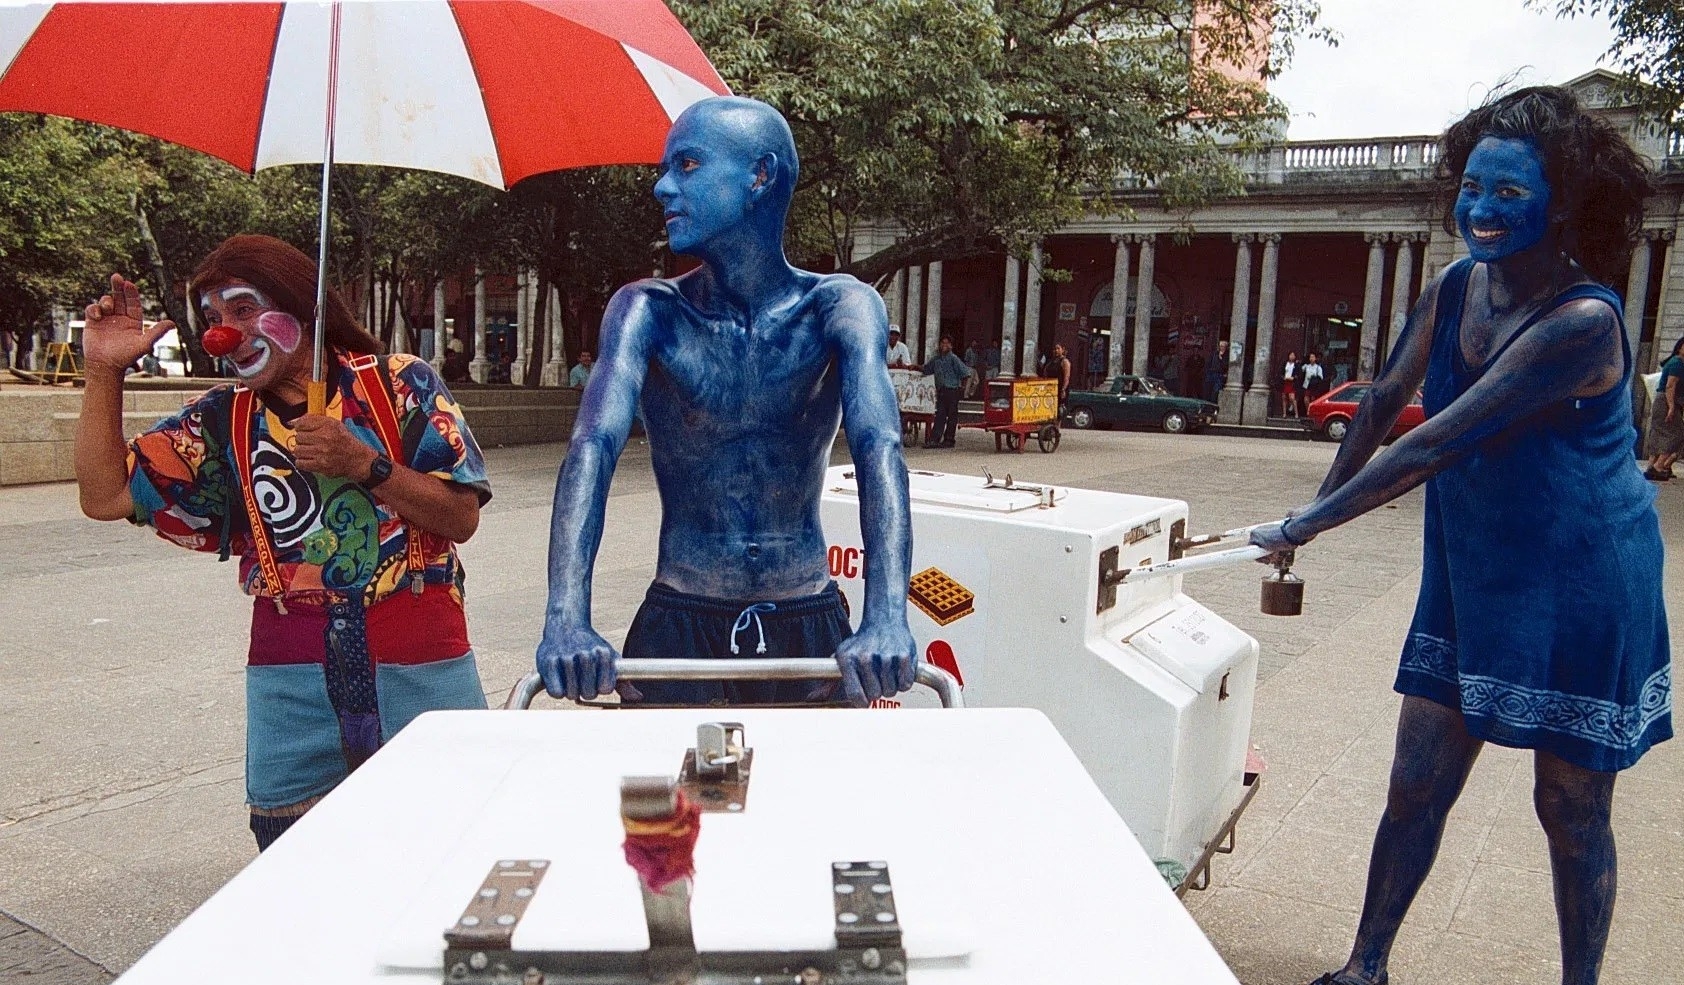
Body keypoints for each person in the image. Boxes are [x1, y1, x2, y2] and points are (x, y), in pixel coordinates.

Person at [1249, 87, 1666, 985]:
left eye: (1510, 193)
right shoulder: (1453, 286)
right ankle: (1365, 964)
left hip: (1583, 578)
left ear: (1566, 203)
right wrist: (1310, 521)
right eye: (1472, 186)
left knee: (1570, 805)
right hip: (1475, 571)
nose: (1479, 209)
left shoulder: (1583, 321)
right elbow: (1387, 399)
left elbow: (1443, 435)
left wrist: (1305, 521)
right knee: (1417, 780)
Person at [73, 235, 492, 851]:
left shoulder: (401, 385)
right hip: (289, 669)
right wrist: (104, 370)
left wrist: (365, 465)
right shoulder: (219, 420)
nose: (224, 334)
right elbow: (104, 497)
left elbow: (461, 517)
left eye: (243, 309)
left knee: (451, 849)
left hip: (418, 651)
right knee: (295, 863)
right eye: (214, 318)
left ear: (303, 307)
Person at [534, 96, 917, 708]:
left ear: (759, 176)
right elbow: (592, 448)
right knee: (670, 804)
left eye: (686, 166)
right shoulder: (648, 311)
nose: (662, 189)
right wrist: (566, 616)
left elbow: (880, 447)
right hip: (680, 614)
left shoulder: (837, 308)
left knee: (808, 798)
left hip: (804, 615)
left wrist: (887, 615)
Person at [921, 335, 975, 448]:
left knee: (951, 416)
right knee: (940, 415)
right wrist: (913, 367)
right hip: (941, 390)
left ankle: (949, 440)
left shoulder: (953, 358)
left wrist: (962, 388)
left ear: (951, 345)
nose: (944, 345)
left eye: (947, 343)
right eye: (942, 343)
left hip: (952, 390)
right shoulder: (936, 359)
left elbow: (965, 373)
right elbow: (926, 369)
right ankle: (934, 439)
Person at [1642, 337, 1682, 481]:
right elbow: (1670, 386)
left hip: (1661, 400)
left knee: (1659, 433)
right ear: (1679, 348)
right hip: (1667, 401)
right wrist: (1671, 407)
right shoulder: (1677, 363)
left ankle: (1652, 466)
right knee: (1676, 434)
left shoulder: (1674, 362)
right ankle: (1659, 466)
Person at [1048, 342, 1072, 414]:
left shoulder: (1065, 361)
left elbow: (1067, 377)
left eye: (1058, 348)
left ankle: (1058, 425)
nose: (1056, 351)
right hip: (1051, 389)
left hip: (1060, 388)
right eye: (1055, 349)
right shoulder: (1051, 362)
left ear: (1063, 350)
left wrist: (1063, 389)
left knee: (1059, 411)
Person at [1281, 351, 1300, 418]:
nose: (1291, 356)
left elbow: (1297, 374)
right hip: (1285, 382)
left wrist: (1293, 378)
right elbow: (1281, 372)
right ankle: (1284, 413)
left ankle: (1296, 413)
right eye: (1290, 355)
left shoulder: (1296, 365)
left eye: (1293, 355)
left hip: (1292, 383)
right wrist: (1283, 377)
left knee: (1292, 398)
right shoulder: (1285, 364)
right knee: (1284, 397)